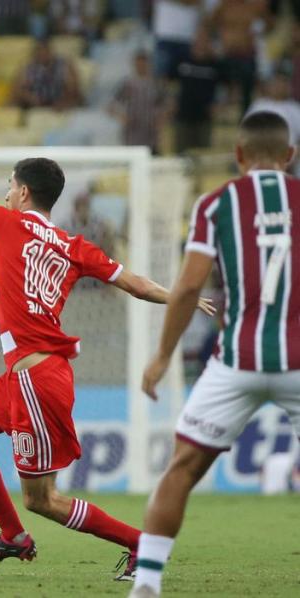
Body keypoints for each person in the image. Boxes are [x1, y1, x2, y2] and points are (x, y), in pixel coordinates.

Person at [0, 159, 215, 582]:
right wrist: (178, 296)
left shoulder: (4, 221)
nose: (7, 192)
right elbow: (134, 283)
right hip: (24, 375)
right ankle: (12, 535)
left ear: (24, 193)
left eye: (11, 186)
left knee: (42, 499)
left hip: (36, 378)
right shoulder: (73, 245)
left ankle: (142, 545)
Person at [132, 111, 300, 597]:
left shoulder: (216, 203)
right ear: (290, 156)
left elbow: (187, 287)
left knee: (182, 467)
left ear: (239, 155)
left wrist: (163, 354)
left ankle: (146, 582)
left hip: (236, 361)